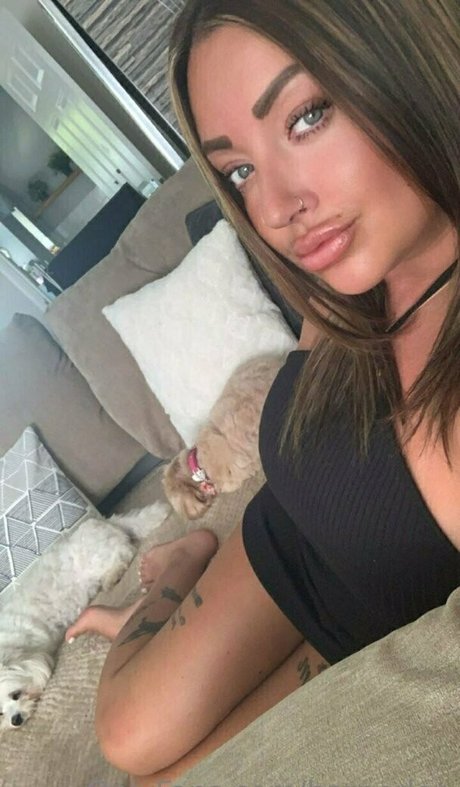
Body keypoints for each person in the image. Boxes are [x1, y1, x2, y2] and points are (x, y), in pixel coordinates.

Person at [65, 1, 460, 784]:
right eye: (240, 171)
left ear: (405, 55)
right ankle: (181, 560)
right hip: (285, 533)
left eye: (306, 117)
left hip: (357, 626)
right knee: (122, 732)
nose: (274, 210)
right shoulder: (351, 280)